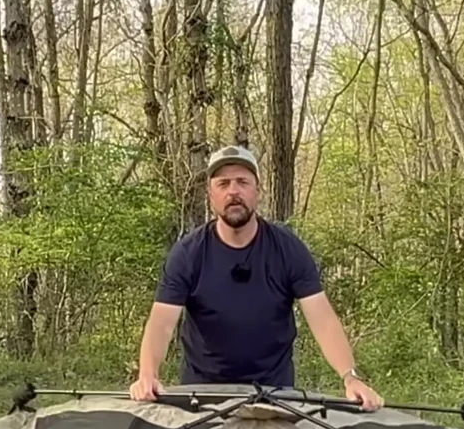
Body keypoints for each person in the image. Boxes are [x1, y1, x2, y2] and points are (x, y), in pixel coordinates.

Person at [130, 144, 383, 410]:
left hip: (275, 394)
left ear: (257, 191)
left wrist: (350, 377)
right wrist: (148, 374)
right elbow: (161, 322)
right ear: (211, 194)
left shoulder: (288, 249)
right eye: (223, 183)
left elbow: (323, 319)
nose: (233, 191)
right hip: (203, 394)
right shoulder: (188, 254)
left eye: (242, 182)